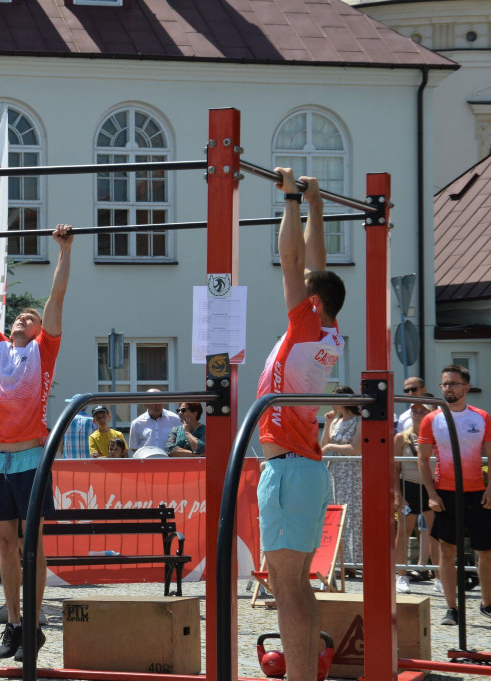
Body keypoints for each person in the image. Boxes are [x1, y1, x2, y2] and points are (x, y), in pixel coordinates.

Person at [0, 221, 72, 662]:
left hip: (30, 458)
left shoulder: (43, 350)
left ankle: (34, 618)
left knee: (32, 544)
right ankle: (14, 622)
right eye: (20, 317)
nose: (25, 320)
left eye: (31, 317)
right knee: (5, 546)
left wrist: (64, 250)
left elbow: (57, 297)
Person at [256, 169, 345, 681]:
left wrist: (290, 197)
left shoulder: (307, 322)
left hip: (289, 469)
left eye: (303, 291)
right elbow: (317, 264)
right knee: (299, 585)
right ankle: (308, 677)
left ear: (313, 301)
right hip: (302, 468)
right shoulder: (327, 328)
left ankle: (298, 678)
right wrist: (316, 204)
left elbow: (292, 260)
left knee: (287, 587)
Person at [416, 364, 491, 625]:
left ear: (466, 387)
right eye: (445, 384)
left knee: (486, 551)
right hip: (446, 493)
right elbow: (422, 460)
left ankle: (487, 603)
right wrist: (431, 494)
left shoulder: (481, 416)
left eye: (453, 383)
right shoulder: (431, 419)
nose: (448, 388)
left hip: (478, 493)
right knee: (447, 552)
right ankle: (452, 608)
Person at [393, 398, 439, 594]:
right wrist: (397, 495)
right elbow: (394, 469)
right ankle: (402, 576)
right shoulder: (401, 438)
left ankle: (439, 577)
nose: (418, 414)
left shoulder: (437, 436)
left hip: (431, 489)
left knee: (436, 534)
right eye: (415, 411)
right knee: (403, 532)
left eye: (422, 411)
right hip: (409, 487)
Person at [321, 385, 363, 568]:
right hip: (336, 471)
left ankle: (355, 561)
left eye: (335, 398)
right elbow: (324, 444)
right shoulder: (336, 421)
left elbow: (355, 449)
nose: (332, 402)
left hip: (352, 472)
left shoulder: (359, 421)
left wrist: (331, 448)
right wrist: (328, 424)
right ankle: (340, 561)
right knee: (337, 513)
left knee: (353, 515)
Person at [59, 395, 96, 459]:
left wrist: (61, 456)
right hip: (88, 463)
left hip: (69, 463)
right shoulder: (92, 421)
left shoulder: (65, 421)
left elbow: (59, 442)